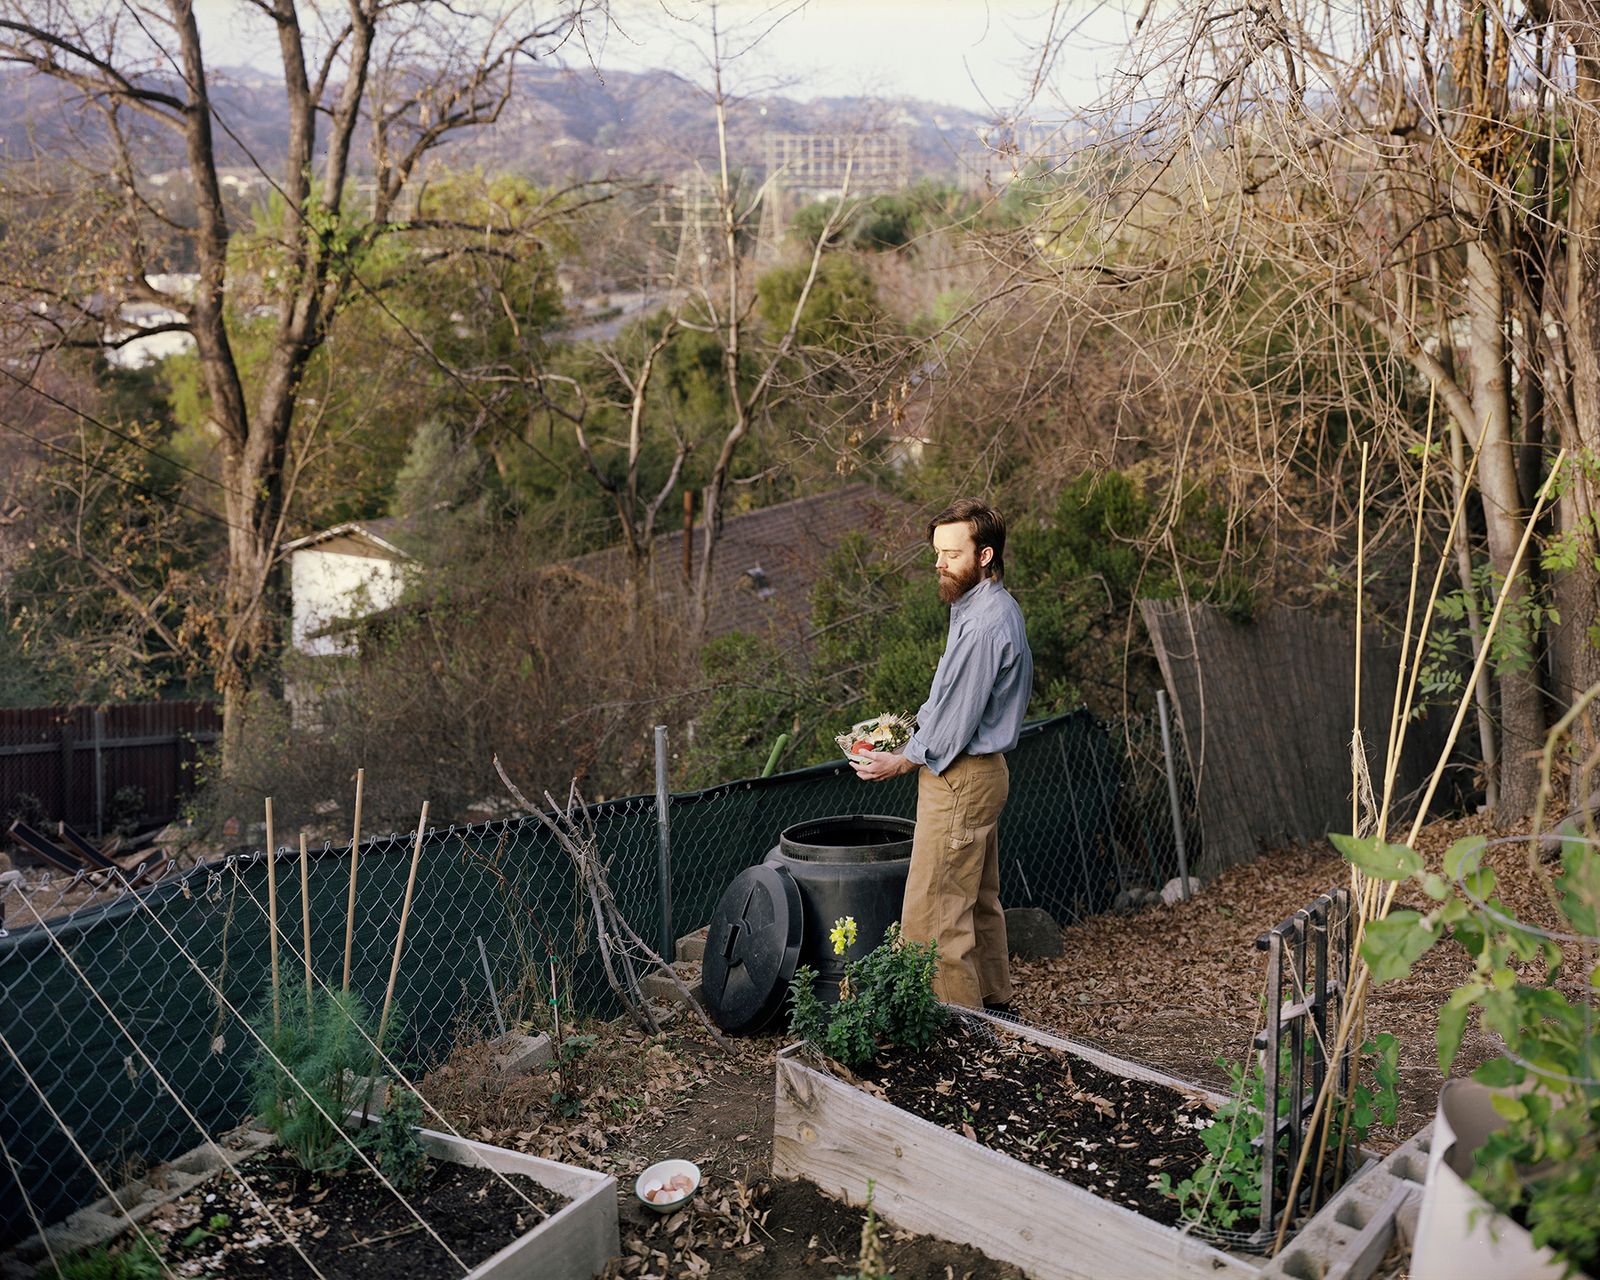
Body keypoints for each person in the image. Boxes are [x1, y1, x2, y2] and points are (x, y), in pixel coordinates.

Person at [850, 498, 1033, 1010]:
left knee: (934, 914)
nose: (939, 563)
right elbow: (948, 698)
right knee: (976, 902)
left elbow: (957, 721)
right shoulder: (978, 605)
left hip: (960, 777)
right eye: (937, 553)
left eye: (952, 554)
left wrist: (903, 758)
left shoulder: (983, 625)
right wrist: (905, 732)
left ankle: (957, 1035)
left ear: (985, 555)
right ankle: (996, 1011)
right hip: (978, 775)